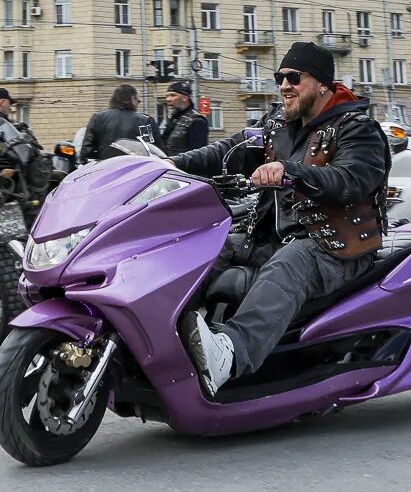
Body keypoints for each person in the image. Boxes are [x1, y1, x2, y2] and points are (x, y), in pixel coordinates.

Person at [172, 41, 390, 396]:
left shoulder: (356, 128)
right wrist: (171, 164)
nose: (284, 85)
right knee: (204, 248)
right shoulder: (277, 122)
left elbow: (351, 180)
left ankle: (229, 353)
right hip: (270, 237)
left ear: (322, 84)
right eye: (280, 78)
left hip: (333, 247)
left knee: (289, 265)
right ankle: (167, 335)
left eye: (294, 77)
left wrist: (290, 170)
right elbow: (231, 149)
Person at [80, 84, 161, 162]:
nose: (138, 103)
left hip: (106, 168)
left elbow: (87, 150)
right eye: (137, 100)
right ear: (132, 99)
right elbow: (154, 150)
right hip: (136, 169)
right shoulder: (145, 121)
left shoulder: (98, 118)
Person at [161, 81, 209, 155]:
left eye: (173, 95)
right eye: (167, 96)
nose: (168, 99)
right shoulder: (174, 119)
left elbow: (197, 155)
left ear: (185, 97)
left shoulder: (197, 120)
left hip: (182, 165)